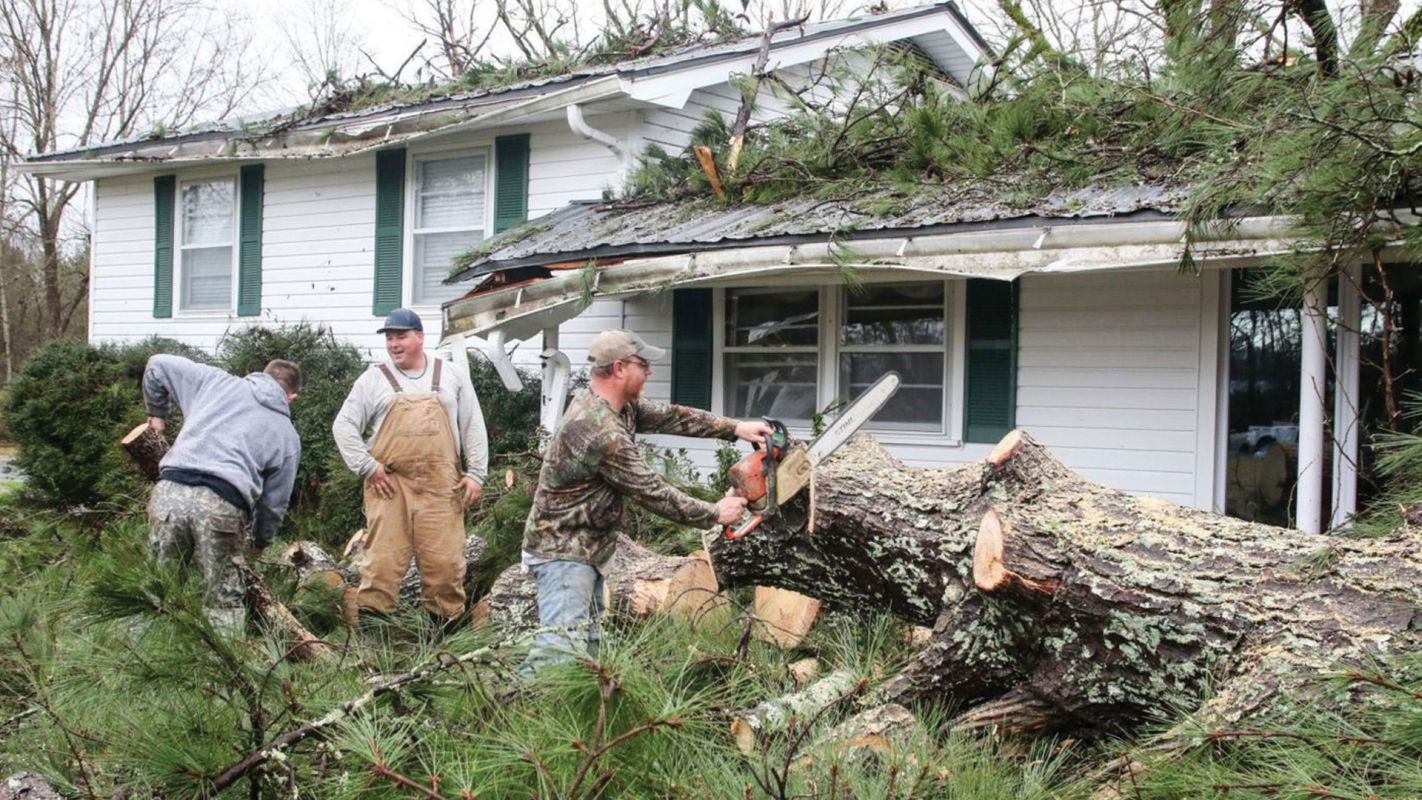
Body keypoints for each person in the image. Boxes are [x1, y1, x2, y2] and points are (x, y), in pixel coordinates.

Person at [520, 329, 773, 673]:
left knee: (587, 652)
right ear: (620, 368)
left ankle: (572, 721)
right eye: (644, 365)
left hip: (586, 550)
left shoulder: (619, 408)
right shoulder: (598, 429)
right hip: (563, 552)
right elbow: (653, 492)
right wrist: (716, 513)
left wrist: (735, 428)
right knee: (558, 653)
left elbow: (673, 416)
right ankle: (519, 716)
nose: (650, 371)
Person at [333, 308, 489, 626]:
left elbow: (473, 424)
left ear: (420, 337)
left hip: (442, 486)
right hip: (389, 485)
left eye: (401, 336)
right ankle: (375, 644)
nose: (394, 344)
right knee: (382, 563)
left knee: (445, 563)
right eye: (390, 338)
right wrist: (366, 466)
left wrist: (475, 473)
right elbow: (344, 425)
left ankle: (445, 644)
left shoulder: (452, 375)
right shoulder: (373, 379)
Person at [142, 354, 303, 634]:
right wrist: (260, 542)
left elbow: (157, 363)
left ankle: (140, 659)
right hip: (222, 504)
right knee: (222, 602)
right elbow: (274, 503)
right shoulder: (287, 435)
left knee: (158, 590)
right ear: (291, 397)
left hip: (169, 492)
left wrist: (157, 414)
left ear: (255, 374)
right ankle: (222, 673)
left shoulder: (214, 381)